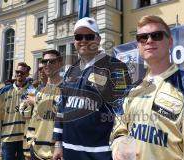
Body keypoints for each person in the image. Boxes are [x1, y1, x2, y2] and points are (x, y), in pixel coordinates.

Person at [111, 15, 184, 160]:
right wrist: (120, 149)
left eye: (157, 35)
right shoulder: (131, 89)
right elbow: (120, 129)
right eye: (142, 37)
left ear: (170, 42)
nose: (149, 40)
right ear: (138, 45)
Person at [53, 17, 131, 160]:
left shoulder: (116, 67)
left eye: (89, 36)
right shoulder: (71, 70)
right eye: (78, 36)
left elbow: (125, 111)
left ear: (98, 39)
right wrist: (58, 143)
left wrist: (122, 145)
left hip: (101, 153)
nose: (83, 40)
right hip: (69, 152)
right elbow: (61, 108)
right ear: (74, 40)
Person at [0, 62, 33, 160]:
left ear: (27, 74)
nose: (19, 74)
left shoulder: (32, 91)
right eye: (17, 72)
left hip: (25, 138)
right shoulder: (5, 90)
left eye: (22, 73)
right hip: (8, 137)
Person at [25, 49, 63, 160]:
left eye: (52, 61)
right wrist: (30, 140)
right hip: (36, 151)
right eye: (44, 61)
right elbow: (34, 118)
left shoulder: (67, 89)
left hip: (55, 153)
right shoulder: (39, 90)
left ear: (60, 63)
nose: (47, 64)